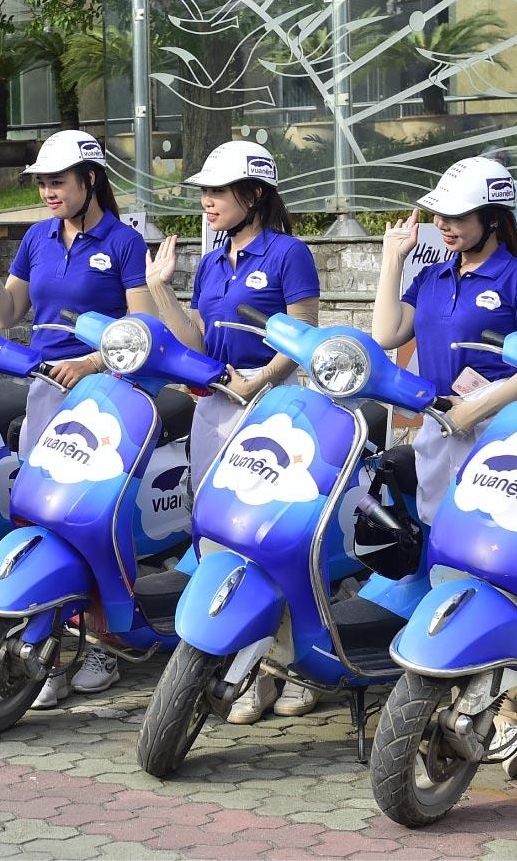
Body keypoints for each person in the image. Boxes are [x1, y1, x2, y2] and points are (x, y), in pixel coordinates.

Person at [0, 130, 152, 705]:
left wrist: (89, 361)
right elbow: (9, 314)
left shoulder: (125, 243)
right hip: (44, 392)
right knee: (39, 516)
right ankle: (46, 647)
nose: (47, 191)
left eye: (57, 181)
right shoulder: (36, 237)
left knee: (97, 518)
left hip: (107, 396)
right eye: (41, 182)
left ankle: (105, 641)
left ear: (90, 180)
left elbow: (139, 330)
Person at [371, 155, 517, 772]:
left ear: (492, 216)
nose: (445, 226)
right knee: (445, 562)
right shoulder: (432, 273)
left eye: (458, 216)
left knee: (498, 572)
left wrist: (480, 405)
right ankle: (447, 695)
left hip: (497, 444)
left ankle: (513, 714)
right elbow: (386, 334)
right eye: (441, 216)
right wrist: (395, 256)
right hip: (436, 436)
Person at [144, 140, 322, 723]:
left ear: (254, 194)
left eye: (218, 191)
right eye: (204, 191)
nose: (207, 201)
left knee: (270, 538)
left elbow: (303, 340)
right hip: (214, 407)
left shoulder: (289, 253)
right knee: (217, 532)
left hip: (271, 409)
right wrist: (162, 288)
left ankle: (290, 665)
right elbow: (193, 345)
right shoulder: (215, 259)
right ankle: (246, 659)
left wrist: (258, 382)